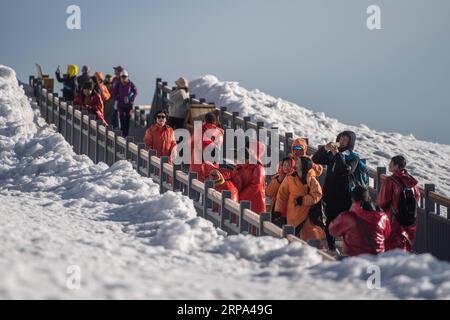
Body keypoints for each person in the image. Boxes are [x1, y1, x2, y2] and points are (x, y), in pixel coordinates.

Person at [312, 131, 360, 252]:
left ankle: (347, 249)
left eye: (345, 139)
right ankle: (332, 248)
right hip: (330, 195)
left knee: (345, 223)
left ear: (350, 142)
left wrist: (337, 154)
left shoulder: (353, 157)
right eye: (341, 138)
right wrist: (325, 149)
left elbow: (345, 170)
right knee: (329, 222)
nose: (342, 141)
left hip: (344, 196)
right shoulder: (332, 154)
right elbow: (316, 159)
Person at [274, 156, 325, 244]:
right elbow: (281, 195)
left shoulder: (311, 179)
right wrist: (278, 211)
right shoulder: (289, 178)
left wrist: (303, 200)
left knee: (309, 242)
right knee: (291, 241)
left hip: (307, 216)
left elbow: (317, 194)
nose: (295, 162)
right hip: (292, 215)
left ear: (303, 165)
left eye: (298, 161)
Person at [330, 186, 391, 257]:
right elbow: (387, 234)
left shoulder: (346, 217)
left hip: (354, 260)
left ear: (352, 199)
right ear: (369, 198)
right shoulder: (382, 217)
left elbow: (332, 231)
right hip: (377, 259)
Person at [377, 156, 420, 252]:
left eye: (391, 163)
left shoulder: (390, 181)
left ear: (396, 166)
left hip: (394, 220)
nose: (389, 165)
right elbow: (417, 197)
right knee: (405, 247)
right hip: (409, 221)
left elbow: (382, 201)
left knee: (391, 249)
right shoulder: (412, 182)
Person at [189, 113, 224, 182]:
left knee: (196, 184)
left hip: (197, 164)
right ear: (215, 122)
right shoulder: (220, 133)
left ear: (204, 121)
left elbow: (190, 143)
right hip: (213, 164)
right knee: (212, 184)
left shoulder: (199, 131)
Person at [232, 147, 266, 216]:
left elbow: (256, 185)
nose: (241, 161)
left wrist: (240, 197)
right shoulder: (239, 167)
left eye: (244, 158)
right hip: (240, 203)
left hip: (255, 204)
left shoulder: (258, 168)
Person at [266, 157, 294, 226]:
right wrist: (278, 181)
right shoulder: (277, 178)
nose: (286, 167)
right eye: (284, 165)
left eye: (289, 165)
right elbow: (269, 192)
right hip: (276, 210)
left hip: (289, 211)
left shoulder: (295, 179)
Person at [111, 70, 138, 137]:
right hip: (121, 105)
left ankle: (126, 133)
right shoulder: (118, 84)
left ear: (127, 77)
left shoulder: (131, 84)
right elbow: (114, 92)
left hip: (129, 105)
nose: (124, 78)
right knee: (122, 119)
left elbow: (135, 92)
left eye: (125, 76)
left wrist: (131, 98)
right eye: (122, 77)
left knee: (128, 120)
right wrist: (117, 98)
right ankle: (123, 134)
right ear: (120, 77)